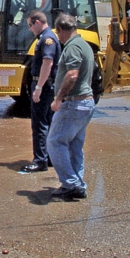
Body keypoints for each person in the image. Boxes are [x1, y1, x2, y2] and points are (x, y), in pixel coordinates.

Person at [46, 14, 95, 201]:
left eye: (57, 33)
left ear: (60, 30)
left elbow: (72, 75)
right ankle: (77, 184)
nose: (58, 37)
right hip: (85, 103)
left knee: (55, 142)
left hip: (74, 103)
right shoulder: (84, 45)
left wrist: (59, 99)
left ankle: (71, 184)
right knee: (74, 146)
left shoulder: (73, 47)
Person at [21, 10, 61, 173]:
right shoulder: (47, 37)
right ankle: (49, 157)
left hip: (43, 86)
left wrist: (38, 88)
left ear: (37, 22)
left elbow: (47, 63)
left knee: (39, 124)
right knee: (48, 122)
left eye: (30, 25)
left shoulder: (47, 39)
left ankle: (40, 160)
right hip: (47, 86)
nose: (30, 29)